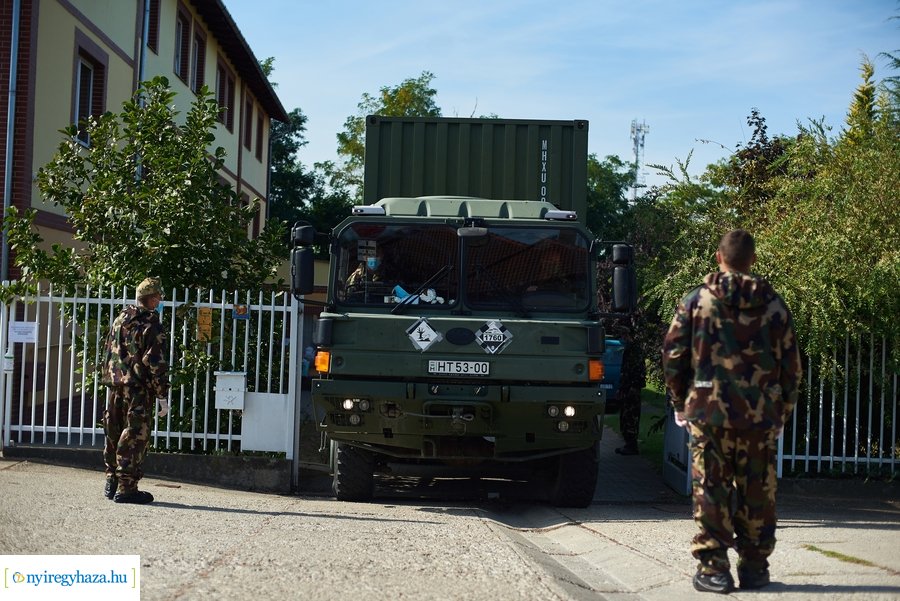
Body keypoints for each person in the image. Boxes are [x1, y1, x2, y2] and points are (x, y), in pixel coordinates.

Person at [662, 229, 801, 594]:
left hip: (708, 415)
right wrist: (782, 412)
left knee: (711, 489)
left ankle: (714, 570)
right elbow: (791, 367)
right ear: (752, 260)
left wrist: (679, 402)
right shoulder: (774, 306)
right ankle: (754, 568)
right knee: (758, 492)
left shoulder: (697, 301)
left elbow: (673, 355)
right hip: (759, 417)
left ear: (718, 257)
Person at [101, 277, 170, 504]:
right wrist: (162, 394)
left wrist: (109, 378)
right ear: (152, 299)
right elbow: (155, 363)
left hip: (115, 385)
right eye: (158, 297)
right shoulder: (151, 325)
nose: (160, 301)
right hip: (137, 389)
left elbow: (108, 350)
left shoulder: (120, 319)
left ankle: (112, 479)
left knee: (113, 431)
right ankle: (127, 488)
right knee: (134, 436)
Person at [613, 313, 645, 456]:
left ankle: (631, 445)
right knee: (626, 416)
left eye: (623, 335)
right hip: (629, 388)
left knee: (630, 417)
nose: (622, 338)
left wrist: (626, 388)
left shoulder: (634, 349)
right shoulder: (631, 349)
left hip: (632, 389)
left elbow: (634, 371)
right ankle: (628, 444)